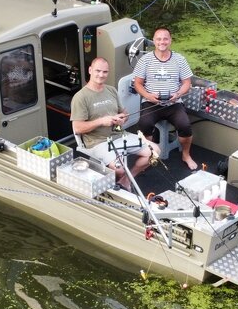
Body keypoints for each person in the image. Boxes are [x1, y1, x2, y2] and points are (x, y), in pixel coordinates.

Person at [71, 57, 157, 191]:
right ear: (90, 70)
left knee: (155, 151)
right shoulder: (80, 97)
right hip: (97, 142)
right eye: (98, 71)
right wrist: (101, 121)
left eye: (105, 72)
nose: (101, 75)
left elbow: (124, 113)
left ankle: (125, 181)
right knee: (120, 169)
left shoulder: (111, 90)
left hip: (119, 135)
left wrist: (122, 119)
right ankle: (117, 181)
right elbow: (78, 128)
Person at [133, 27, 198, 170]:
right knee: (144, 125)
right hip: (151, 103)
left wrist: (178, 94)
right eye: (158, 39)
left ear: (170, 40)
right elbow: (137, 84)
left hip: (174, 103)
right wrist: (148, 95)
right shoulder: (145, 60)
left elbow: (187, 83)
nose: (162, 42)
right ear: (154, 41)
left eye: (165, 39)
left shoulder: (180, 59)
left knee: (185, 126)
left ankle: (186, 155)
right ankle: (148, 156)